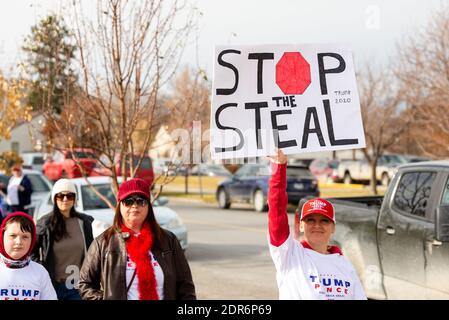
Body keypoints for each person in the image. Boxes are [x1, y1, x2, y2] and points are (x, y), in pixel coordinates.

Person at [267, 149, 366, 300]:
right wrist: (279, 167)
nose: (317, 225)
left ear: (333, 227)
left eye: (324, 221)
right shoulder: (290, 255)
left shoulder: (345, 265)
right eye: (310, 220)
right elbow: (277, 213)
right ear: (301, 225)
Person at [79, 178, 196, 300]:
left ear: (148, 206)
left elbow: (185, 285)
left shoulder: (168, 240)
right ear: (120, 205)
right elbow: (84, 284)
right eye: (128, 201)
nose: (135, 206)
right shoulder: (103, 242)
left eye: (141, 201)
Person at [32, 179, 94, 300]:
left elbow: (92, 253)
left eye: (69, 196)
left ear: (75, 199)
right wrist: (42, 271)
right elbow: (32, 252)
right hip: (52, 286)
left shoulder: (84, 222)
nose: (65, 199)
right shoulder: (44, 223)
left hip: (77, 287)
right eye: (61, 196)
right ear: (54, 198)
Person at [0, 211, 57, 300]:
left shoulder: (40, 272)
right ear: (2, 237)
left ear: (32, 240)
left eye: (25, 237)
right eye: (12, 236)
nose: (18, 242)